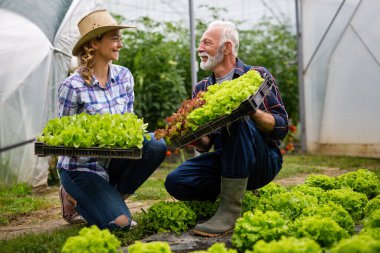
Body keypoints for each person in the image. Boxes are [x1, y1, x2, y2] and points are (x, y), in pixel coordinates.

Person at [165, 21, 289, 237]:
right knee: (176, 181)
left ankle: (229, 211)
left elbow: (281, 126)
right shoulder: (201, 88)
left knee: (238, 116)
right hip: (227, 161)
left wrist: (252, 112)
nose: (200, 48)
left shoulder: (256, 75)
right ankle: (236, 192)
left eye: (207, 43)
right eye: (200, 43)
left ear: (227, 48)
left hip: (263, 160)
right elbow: (206, 145)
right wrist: (189, 133)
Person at [57, 9, 166, 231]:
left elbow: (128, 124)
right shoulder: (72, 86)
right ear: (95, 43)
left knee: (155, 144)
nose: (120, 44)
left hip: (114, 162)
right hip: (82, 167)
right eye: (115, 38)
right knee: (120, 224)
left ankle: (111, 198)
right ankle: (72, 195)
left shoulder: (124, 77)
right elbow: (63, 141)